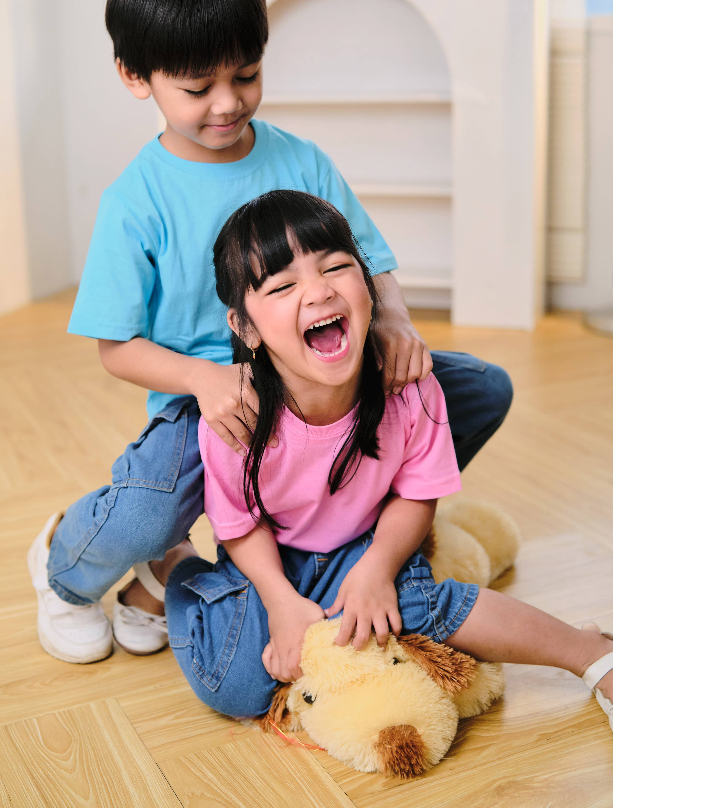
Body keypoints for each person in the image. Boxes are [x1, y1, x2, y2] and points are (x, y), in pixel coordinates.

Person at [27, 0, 514, 665]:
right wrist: (203, 379)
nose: (228, 103)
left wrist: (395, 323)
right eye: (198, 88)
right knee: (148, 511)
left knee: (479, 388)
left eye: (246, 75)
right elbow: (116, 347)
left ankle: (355, 523)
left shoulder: (302, 160)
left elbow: (371, 261)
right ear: (136, 76)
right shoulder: (135, 201)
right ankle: (66, 565)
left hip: (326, 377)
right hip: (213, 399)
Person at [161, 190, 613, 727]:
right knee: (234, 685)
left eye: (336, 267)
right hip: (271, 555)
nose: (319, 291)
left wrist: (378, 566)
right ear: (246, 328)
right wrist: (279, 601)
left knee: (417, 606)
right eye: (283, 286)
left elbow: (417, 494)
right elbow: (239, 526)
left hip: (364, 540)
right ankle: (172, 561)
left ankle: (592, 653)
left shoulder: (410, 387)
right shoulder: (237, 415)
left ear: (369, 285)